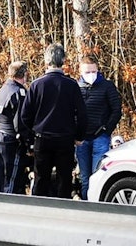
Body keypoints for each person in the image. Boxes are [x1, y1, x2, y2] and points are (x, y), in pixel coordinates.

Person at [19, 43, 87, 198]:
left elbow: (25, 115)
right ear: (63, 60)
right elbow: (82, 114)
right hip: (65, 139)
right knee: (64, 180)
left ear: (46, 61)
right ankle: (63, 214)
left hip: (42, 138)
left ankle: (39, 211)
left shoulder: (37, 85)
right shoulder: (71, 85)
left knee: (41, 179)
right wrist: (79, 136)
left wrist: (34, 130)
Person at [75, 55, 122, 200]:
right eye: (87, 72)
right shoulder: (76, 87)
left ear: (97, 70)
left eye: (93, 71)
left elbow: (116, 110)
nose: (90, 75)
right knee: (85, 178)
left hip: (100, 137)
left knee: (98, 176)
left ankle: (97, 206)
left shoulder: (107, 86)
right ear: (81, 72)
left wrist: (106, 130)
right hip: (81, 139)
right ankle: (85, 207)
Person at [0, 61, 31, 194]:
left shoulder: (2, 90)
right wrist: (27, 141)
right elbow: (20, 122)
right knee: (12, 179)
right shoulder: (18, 92)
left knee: (1, 176)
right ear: (24, 74)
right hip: (11, 140)